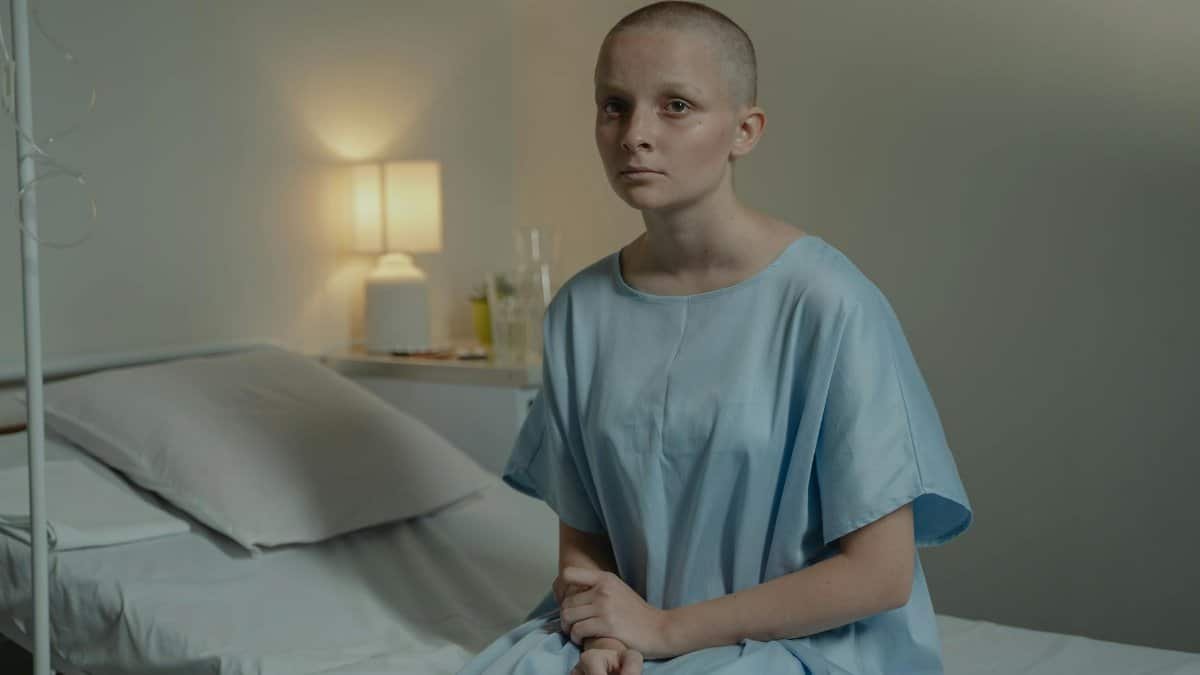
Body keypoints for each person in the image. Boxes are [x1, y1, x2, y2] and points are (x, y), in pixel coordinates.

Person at [459, 2, 972, 674]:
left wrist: (666, 629)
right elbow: (586, 542)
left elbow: (879, 576)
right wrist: (607, 639)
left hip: (804, 643)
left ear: (744, 131)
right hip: (633, 638)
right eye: (615, 106)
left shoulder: (829, 303)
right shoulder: (578, 313)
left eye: (676, 105)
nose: (635, 135)